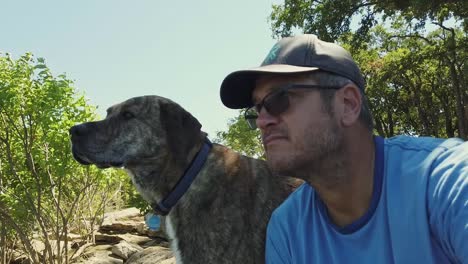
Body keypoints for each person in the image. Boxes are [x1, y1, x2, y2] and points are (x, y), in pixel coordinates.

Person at [219, 34, 467, 263]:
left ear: (347, 104)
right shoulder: (287, 230)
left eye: (277, 100)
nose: (263, 121)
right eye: (257, 109)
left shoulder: (445, 180)